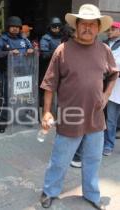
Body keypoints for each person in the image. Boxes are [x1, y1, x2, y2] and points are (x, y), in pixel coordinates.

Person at [39, 4, 118, 210]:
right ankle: (49, 191)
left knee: (92, 160)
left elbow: (113, 74)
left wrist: (106, 94)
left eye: (93, 25)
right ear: (77, 26)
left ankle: (91, 194)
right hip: (70, 117)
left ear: (98, 28)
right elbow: (49, 84)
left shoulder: (104, 50)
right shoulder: (62, 50)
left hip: (96, 117)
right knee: (60, 160)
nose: (88, 28)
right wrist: (47, 111)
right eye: (84, 24)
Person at [0, 16, 34, 133]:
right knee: (6, 98)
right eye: (13, 27)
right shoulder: (3, 39)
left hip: (23, 74)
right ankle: (2, 122)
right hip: (9, 74)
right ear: (8, 27)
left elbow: (31, 48)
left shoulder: (24, 39)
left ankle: (22, 117)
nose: (15, 29)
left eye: (17, 27)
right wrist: (9, 53)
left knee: (23, 97)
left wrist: (31, 50)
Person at [103, 21, 120, 156]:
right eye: (108, 29)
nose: (110, 31)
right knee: (107, 118)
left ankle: (108, 144)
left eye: (113, 29)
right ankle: (105, 144)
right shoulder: (102, 44)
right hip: (104, 85)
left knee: (112, 119)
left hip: (117, 85)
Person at [39, 17, 63, 107]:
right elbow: (44, 54)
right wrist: (57, 51)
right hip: (49, 69)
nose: (57, 29)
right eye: (54, 26)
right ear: (50, 27)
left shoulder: (63, 37)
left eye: (58, 26)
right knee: (48, 93)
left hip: (62, 69)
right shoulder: (46, 38)